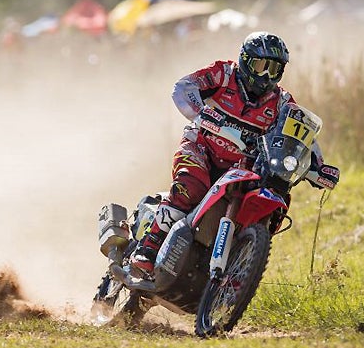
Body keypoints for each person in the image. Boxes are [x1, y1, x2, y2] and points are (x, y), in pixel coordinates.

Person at [130, 31, 340, 277]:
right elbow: (184, 87)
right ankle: (147, 249)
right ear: (245, 60)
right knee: (192, 186)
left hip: (242, 167)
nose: (266, 75)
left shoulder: (282, 102)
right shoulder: (223, 74)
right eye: (261, 66)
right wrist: (201, 113)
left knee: (273, 203)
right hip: (201, 148)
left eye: (274, 69)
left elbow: (304, 139)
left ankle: (237, 267)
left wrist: (317, 165)